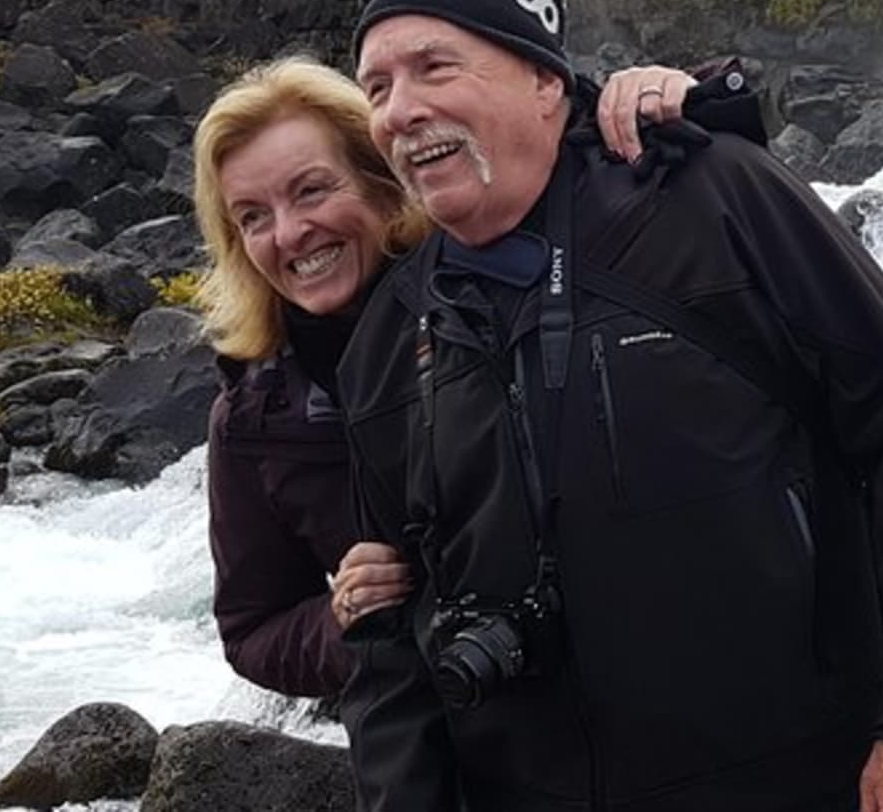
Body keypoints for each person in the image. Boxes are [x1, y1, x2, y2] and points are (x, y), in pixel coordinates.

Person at [337, 0, 883, 811]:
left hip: (798, 779)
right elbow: (388, 632)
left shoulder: (713, 198)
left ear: (545, 82)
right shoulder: (387, 342)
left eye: (434, 67)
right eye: (376, 88)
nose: (401, 110)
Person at [193, 53, 710, 698]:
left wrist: (657, 96)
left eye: (312, 190)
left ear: (383, 178)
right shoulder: (255, 412)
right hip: (449, 725)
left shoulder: (496, 280)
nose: (291, 233)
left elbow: (579, 177)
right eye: (252, 217)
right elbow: (252, 630)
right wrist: (343, 621)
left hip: (654, 668)